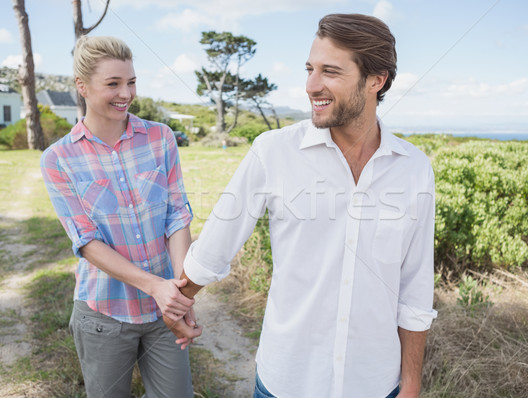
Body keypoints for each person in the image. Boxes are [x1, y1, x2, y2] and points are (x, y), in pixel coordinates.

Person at [168, 13, 437, 398]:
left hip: (377, 384)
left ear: (376, 80)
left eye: (330, 71)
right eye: (309, 69)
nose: (312, 85)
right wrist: (180, 301)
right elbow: (214, 246)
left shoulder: (414, 170)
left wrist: (410, 385)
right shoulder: (272, 152)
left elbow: (414, 289)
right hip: (286, 382)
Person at [40, 35, 201, 398]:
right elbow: (86, 241)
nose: (125, 93)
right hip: (104, 315)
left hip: (164, 311)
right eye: (112, 84)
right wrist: (155, 287)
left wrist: (178, 293)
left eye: (130, 82)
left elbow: (177, 216)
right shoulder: (58, 159)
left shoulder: (160, 138)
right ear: (82, 86)